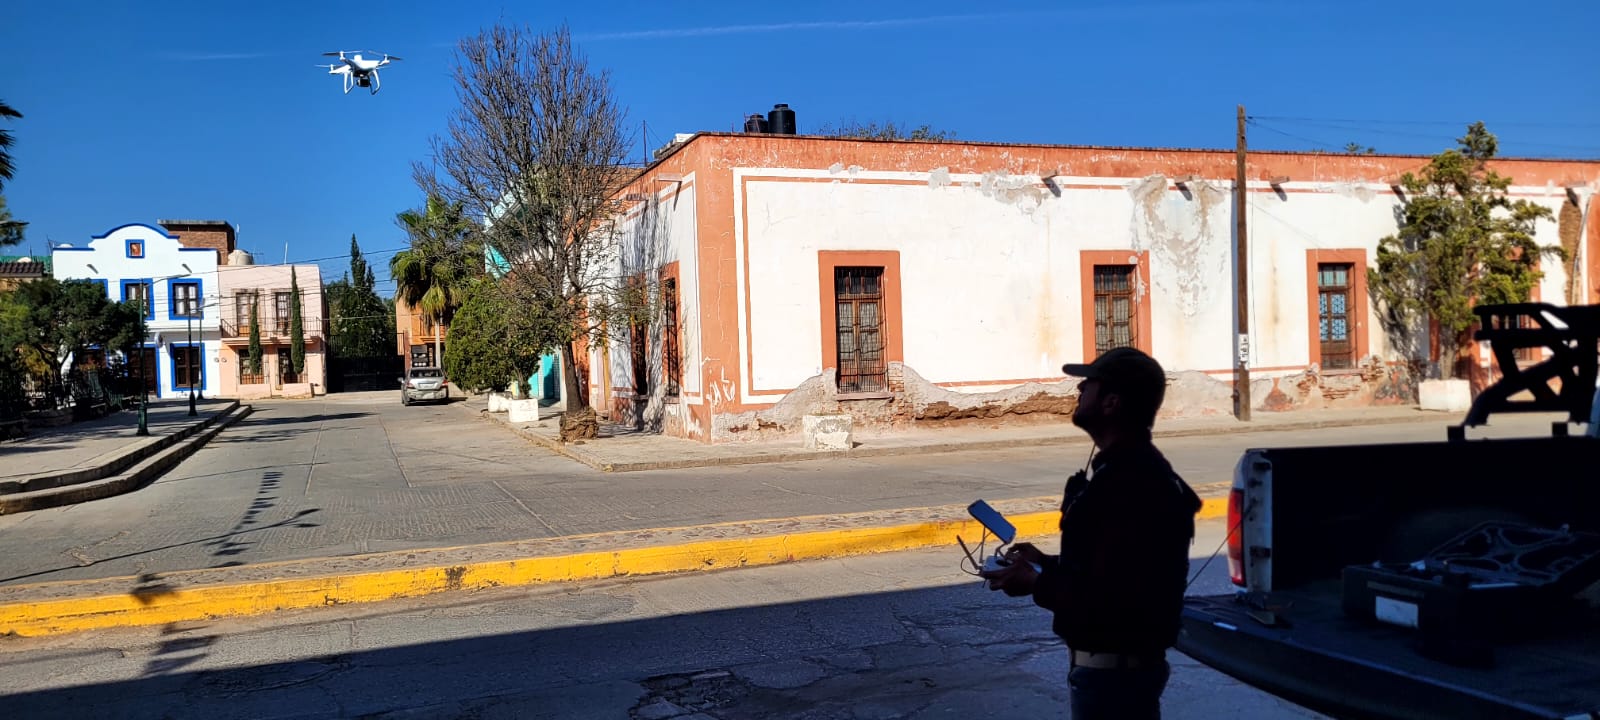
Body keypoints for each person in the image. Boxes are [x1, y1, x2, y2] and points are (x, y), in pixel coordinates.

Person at [981, 347, 1202, 719]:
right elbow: (1107, 566)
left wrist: (1035, 582)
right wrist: (1045, 563)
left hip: (1116, 683)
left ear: (1111, 402)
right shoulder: (1120, 472)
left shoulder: (1133, 484)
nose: (1080, 389)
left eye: (1090, 383)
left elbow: (1116, 599)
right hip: (1109, 676)